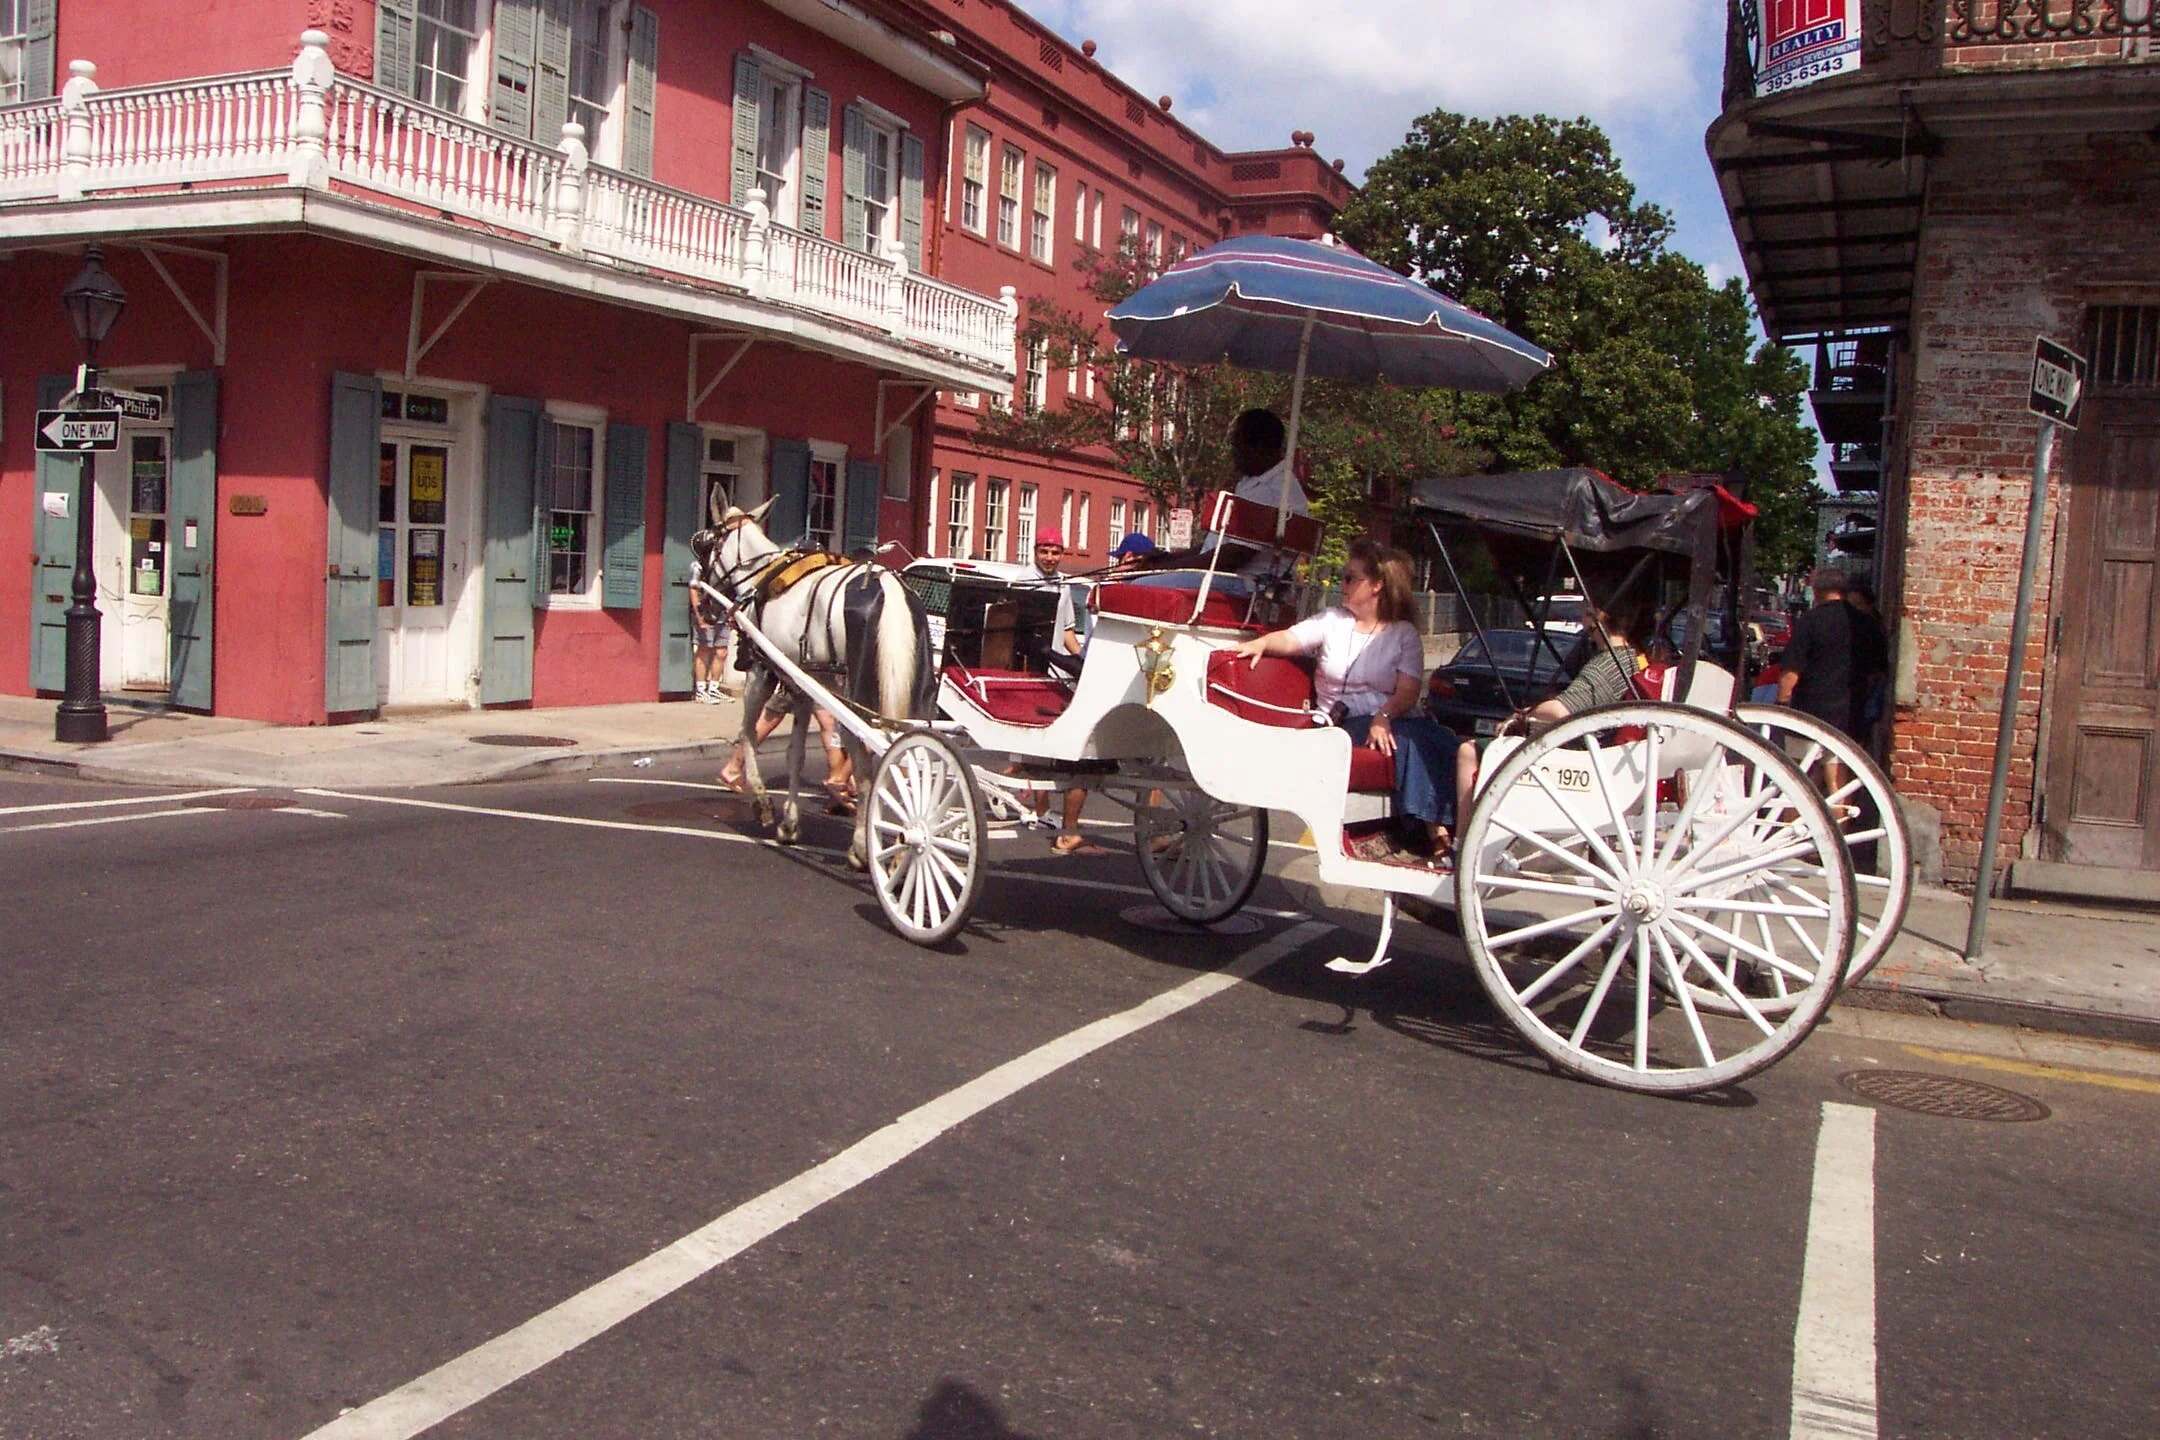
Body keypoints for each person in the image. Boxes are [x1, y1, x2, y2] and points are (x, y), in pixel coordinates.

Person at [1234, 539, 1458, 864]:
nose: (1343, 584)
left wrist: (1383, 715)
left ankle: (1458, 824)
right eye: (1343, 576)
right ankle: (1435, 835)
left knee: (1442, 741)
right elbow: (1293, 638)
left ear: (1377, 585)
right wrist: (1263, 643)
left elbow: (1408, 692)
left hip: (1389, 719)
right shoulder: (1333, 621)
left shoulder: (1402, 634)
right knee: (1408, 742)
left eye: (1350, 578)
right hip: (1341, 724)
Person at [1455, 592, 1656, 829]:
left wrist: (1525, 714)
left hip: (1584, 760)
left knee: (1469, 752)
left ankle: (1462, 842)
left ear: (1597, 616)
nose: (1582, 619)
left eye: (1584, 611)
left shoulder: (1608, 663)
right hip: (1610, 753)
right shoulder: (1638, 658)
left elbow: (1561, 710)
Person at [1047, 532, 1157, 855]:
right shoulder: (1121, 592)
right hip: (1122, 681)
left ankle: (1069, 832)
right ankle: (1068, 832)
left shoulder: (1108, 593)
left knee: (1088, 759)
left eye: (1120, 558)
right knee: (1132, 761)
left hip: (1104, 681)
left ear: (1127, 560)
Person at [1778, 568, 1873, 739]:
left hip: (1810, 708)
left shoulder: (1810, 621)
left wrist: (1782, 700)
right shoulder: (1864, 622)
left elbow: (1792, 668)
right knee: (1836, 762)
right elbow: (1876, 671)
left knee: (1800, 761)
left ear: (1816, 591)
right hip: (1850, 711)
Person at [692, 585, 735, 703]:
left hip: (723, 613)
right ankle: (700, 690)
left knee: (722, 651)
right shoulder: (700, 567)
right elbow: (693, 589)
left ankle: (713, 688)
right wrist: (699, 615)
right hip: (706, 611)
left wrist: (731, 614)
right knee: (704, 649)